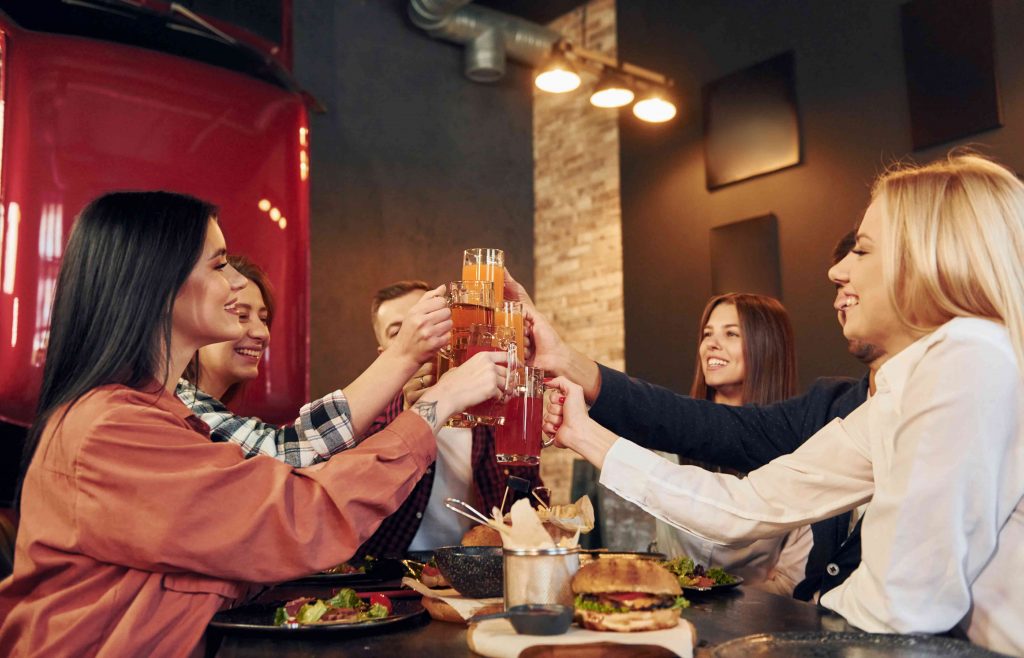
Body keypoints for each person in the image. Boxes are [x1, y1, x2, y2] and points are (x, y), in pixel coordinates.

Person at [545, 154, 1024, 654]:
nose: (837, 270)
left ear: (928, 257)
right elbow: (746, 506)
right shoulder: (920, 381)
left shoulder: (969, 357)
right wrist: (581, 433)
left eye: (861, 250)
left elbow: (900, 607)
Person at [0, 191, 509, 656]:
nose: (238, 282)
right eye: (220, 264)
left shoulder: (153, 416)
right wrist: (436, 404)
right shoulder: (110, 429)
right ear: (156, 283)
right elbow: (297, 520)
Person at [506, 227, 886, 602]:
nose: (836, 276)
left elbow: (742, 517)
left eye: (863, 254)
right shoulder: (830, 406)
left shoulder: (914, 409)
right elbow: (686, 421)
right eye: (707, 333)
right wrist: (565, 365)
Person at [175, 257, 449, 467]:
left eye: (264, 318)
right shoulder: (177, 407)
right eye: (241, 315)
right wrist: (408, 360)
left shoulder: (219, 414)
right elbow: (286, 455)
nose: (261, 333)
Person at [352, 280, 543, 557]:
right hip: (389, 576)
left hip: (478, 573)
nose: (420, 335)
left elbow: (528, 500)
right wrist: (410, 413)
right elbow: (352, 499)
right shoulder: (365, 418)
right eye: (399, 332)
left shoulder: (492, 409)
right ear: (384, 355)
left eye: (430, 321)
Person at [657, 293, 811, 596]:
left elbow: (793, 580)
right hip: (670, 615)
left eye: (731, 334)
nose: (711, 345)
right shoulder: (672, 437)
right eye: (707, 334)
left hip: (760, 628)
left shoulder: (801, 452)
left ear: (766, 347)